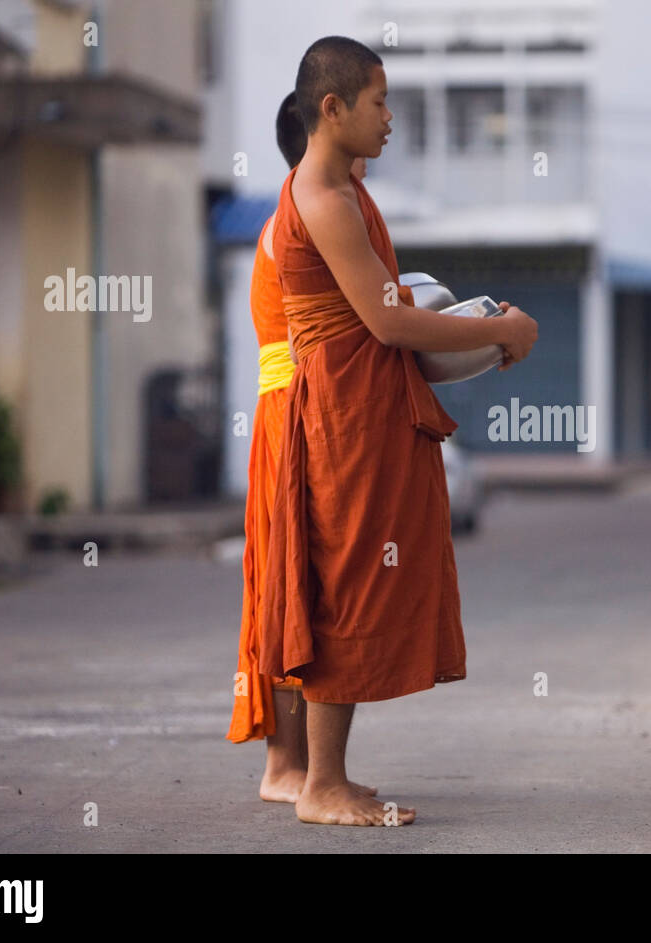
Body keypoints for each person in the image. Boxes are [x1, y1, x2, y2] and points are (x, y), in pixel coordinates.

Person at [257, 36, 538, 826]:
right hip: (341, 421)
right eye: (378, 102)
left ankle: (325, 775)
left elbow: (388, 304)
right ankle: (319, 784)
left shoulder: (342, 190)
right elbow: (385, 322)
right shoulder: (320, 197)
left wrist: (476, 333)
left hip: (362, 413)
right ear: (333, 108)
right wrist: (504, 328)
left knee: (353, 582)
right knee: (344, 587)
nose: (390, 118)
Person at [226, 93, 376, 803]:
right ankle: (295, 769)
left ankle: (286, 766)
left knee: (288, 581)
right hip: (295, 409)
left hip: (289, 407)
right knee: (298, 582)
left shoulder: (304, 212)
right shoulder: (304, 215)